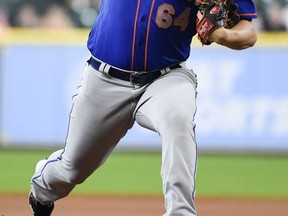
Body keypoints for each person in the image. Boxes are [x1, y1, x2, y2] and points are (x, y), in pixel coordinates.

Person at [28, 0, 257, 215]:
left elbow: (248, 32)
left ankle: (181, 212)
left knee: (177, 121)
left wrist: (223, 34)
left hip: (166, 78)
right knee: (73, 169)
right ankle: (42, 189)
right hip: (104, 79)